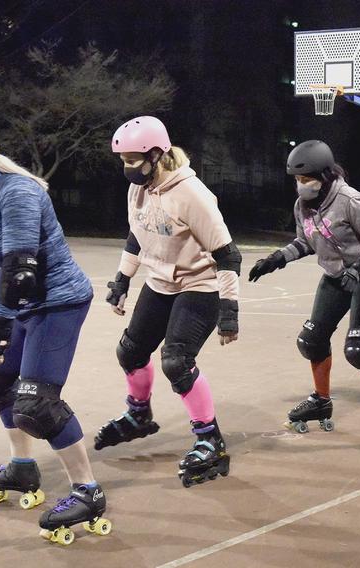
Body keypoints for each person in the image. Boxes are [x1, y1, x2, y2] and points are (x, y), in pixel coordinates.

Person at [0, 116, 109, 545]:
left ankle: (88, 491)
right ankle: (23, 469)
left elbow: (21, 271)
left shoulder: (18, 193)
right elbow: (4, 269)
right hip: (25, 304)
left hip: (58, 303)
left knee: (37, 405)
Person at [94, 116, 240, 487]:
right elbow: (136, 237)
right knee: (130, 352)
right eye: (122, 160)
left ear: (157, 154)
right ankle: (138, 415)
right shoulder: (139, 190)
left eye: (132, 159)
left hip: (200, 282)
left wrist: (229, 311)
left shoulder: (192, 194)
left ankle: (210, 440)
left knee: (176, 361)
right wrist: (122, 280)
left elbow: (227, 255)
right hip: (160, 281)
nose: (127, 167)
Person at [248, 140, 360, 450]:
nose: (301, 186)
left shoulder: (351, 200)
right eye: (297, 180)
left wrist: (357, 268)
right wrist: (275, 259)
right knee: (311, 341)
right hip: (336, 277)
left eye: (306, 179)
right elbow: (305, 242)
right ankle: (321, 401)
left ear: (324, 175)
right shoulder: (303, 206)